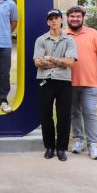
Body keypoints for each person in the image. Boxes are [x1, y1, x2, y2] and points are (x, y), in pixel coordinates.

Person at [34, 9, 78, 161]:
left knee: (64, 116)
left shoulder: (69, 41)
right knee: (46, 115)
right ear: (47, 22)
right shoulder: (41, 40)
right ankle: (50, 147)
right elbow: (38, 62)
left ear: (61, 20)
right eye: (51, 19)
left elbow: (70, 62)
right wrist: (60, 62)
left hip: (64, 82)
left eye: (56, 18)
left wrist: (51, 59)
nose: (53, 21)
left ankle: (61, 149)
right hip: (45, 81)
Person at [65, 6, 97, 160]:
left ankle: (93, 145)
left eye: (78, 16)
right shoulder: (63, 34)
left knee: (89, 112)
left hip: (90, 82)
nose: (75, 19)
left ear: (83, 18)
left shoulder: (93, 33)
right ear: (67, 18)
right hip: (68, 83)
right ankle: (78, 141)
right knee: (74, 113)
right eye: (72, 16)